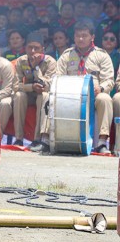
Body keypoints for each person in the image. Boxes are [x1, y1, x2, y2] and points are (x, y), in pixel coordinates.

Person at [31, 18, 114, 154]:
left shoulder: (101, 56)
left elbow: (109, 80)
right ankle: (45, 140)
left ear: (92, 37)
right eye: (77, 36)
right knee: (47, 96)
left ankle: (102, 142)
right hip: (69, 96)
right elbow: (57, 78)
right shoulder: (66, 55)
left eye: (84, 36)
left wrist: (102, 89)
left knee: (105, 99)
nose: (81, 39)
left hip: (93, 95)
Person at [12, 32, 56, 146]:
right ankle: (18, 138)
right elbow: (16, 85)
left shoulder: (50, 62)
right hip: (29, 93)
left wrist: (36, 67)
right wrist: (31, 87)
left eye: (36, 48)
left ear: (43, 49)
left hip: (42, 93)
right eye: (30, 47)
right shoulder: (21, 61)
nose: (32, 51)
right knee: (18, 96)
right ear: (25, 48)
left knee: (44, 96)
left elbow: (48, 85)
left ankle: (37, 139)